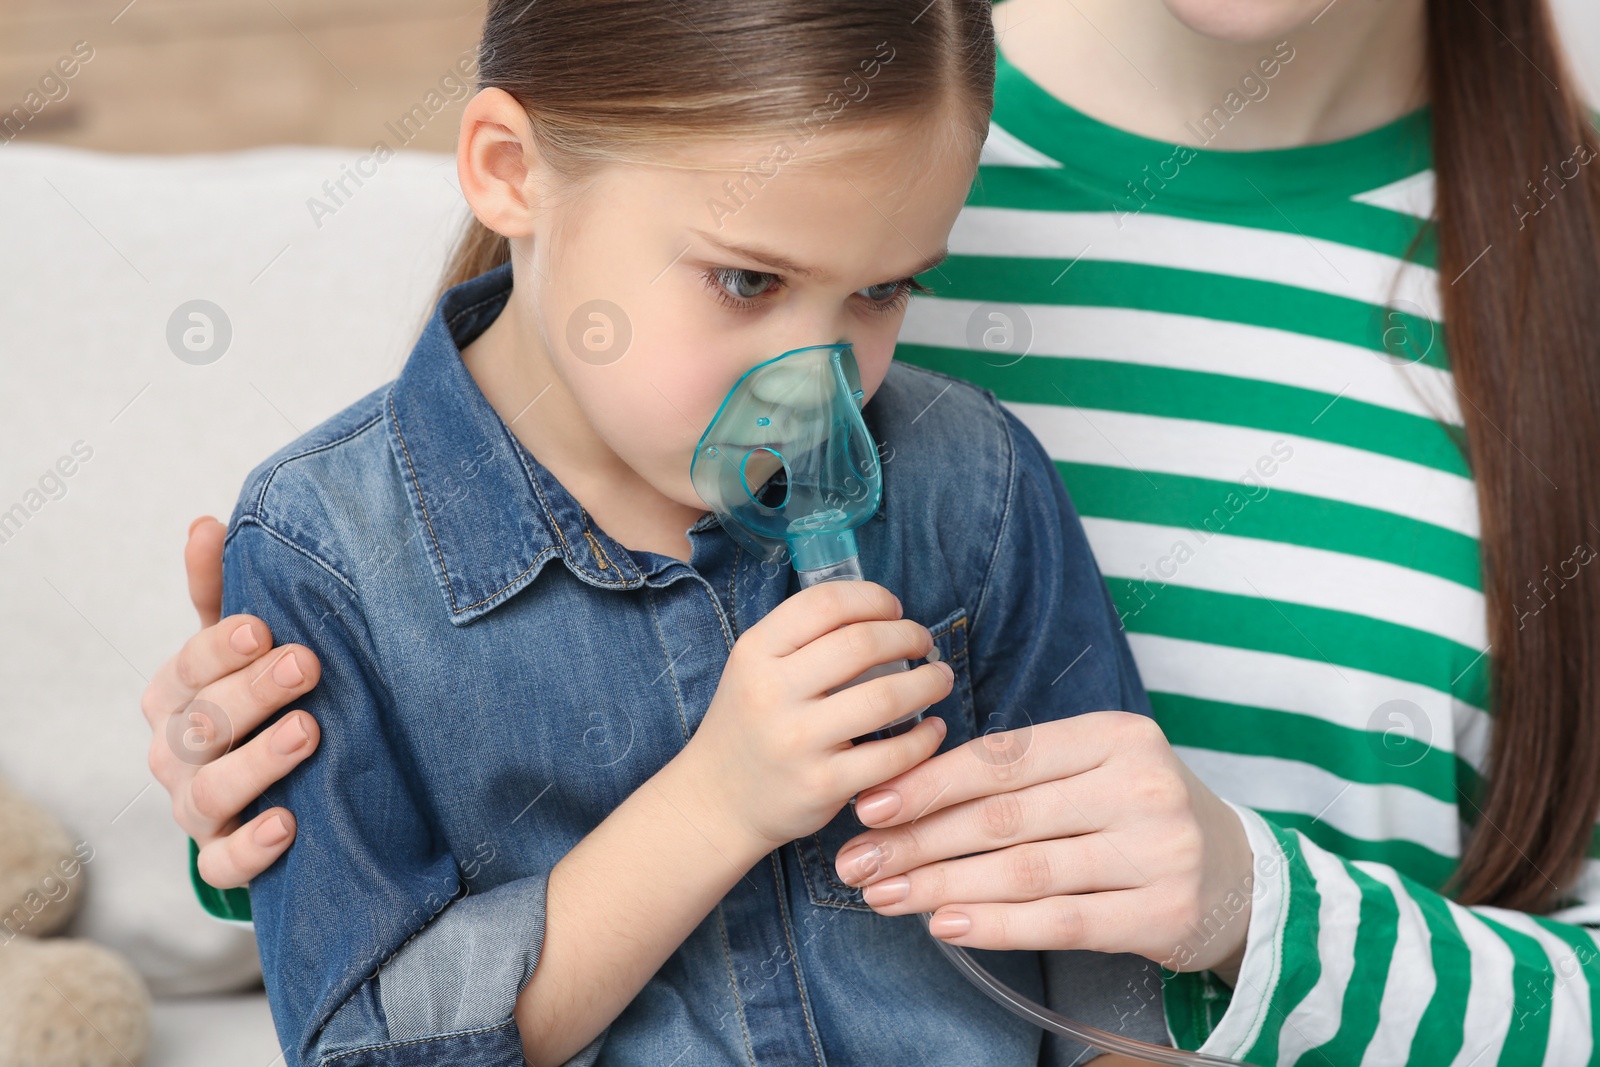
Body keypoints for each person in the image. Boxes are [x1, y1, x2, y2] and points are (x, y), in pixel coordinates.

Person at [145, 0, 1600, 1063]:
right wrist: (277, 816)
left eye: (889, 294)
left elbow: (1106, 1002)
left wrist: (1252, 912)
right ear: (507, 171)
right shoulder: (847, 106)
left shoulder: (966, 460)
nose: (821, 381)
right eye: (747, 285)